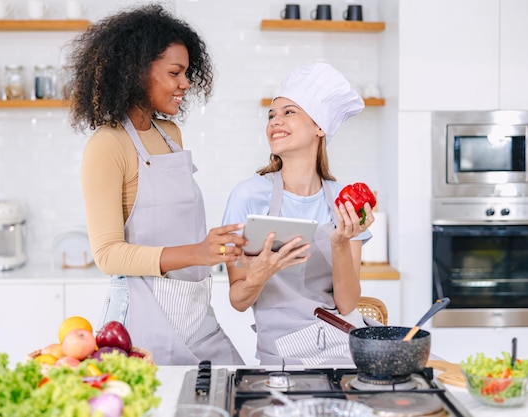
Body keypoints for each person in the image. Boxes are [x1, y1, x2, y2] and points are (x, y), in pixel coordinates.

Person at [66, 3, 246, 365]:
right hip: (142, 318)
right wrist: (198, 252)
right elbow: (108, 254)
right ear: (136, 72)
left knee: (232, 393)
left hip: (196, 313)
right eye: (175, 72)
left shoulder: (171, 135)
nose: (185, 83)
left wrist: (217, 247)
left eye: (187, 72)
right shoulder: (108, 145)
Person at [222, 62, 376, 366]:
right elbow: (238, 300)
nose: (275, 121)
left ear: (320, 127)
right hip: (281, 356)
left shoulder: (344, 200)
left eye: (289, 112)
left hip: (342, 345)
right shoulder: (248, 196)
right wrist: (262, 273)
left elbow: (346, 304)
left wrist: (341, 243)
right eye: (271, 115)